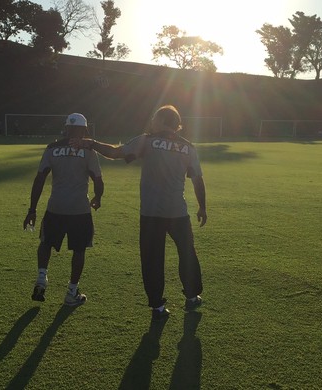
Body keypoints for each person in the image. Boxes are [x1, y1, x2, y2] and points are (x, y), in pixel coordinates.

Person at [72, 105, 206, 320]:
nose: (151, 121)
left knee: (152, 259)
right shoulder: (188, 147)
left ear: (162, 120)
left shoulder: (148, 140)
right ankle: (192, 297)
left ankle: (158, 308)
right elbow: (197, 179)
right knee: (187, 254)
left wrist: (92, 144)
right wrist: (202, 207)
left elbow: (116, 153)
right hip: (178, 212)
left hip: (152, 213)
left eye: (154, 118)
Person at [23, 113, 104, 306]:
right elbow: (98, 179)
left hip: (55, 207)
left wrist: (32, 209)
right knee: (79, 250)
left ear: (66, 128)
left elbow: (40, 179)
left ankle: (42, 279)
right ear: (84, 130)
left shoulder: (52, 148)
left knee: (45, 243)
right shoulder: (88, 151)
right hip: (79, 209)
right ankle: (71, 292)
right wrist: (98, 197)